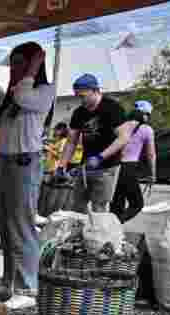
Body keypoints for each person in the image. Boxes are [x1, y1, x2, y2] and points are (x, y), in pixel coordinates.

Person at [0, 41, 55, 301]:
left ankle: (27, 287)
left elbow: (24, 97)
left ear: (33, 65)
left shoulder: (44, 90)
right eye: (12, 63)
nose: (14, 69)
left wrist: (33, 68)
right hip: (6, 164)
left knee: (22, 226)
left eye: (19, 63)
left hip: (26, 165)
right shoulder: (13, 93)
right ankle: (8, 282)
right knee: (5, 225)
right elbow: (3, 138)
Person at [57, 73, 129, 214]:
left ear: (95, 91)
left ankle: (98, 235)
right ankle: (78, 235)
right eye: (78, 96)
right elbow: (71, 142)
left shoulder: (112, 108)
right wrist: (62, 165)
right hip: (85, 166)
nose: (80, 100)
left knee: (99, 208)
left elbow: (123, 138)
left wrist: (100, 157)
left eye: (83, 96)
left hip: (107, 167)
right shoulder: (79, 113)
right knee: (76, 206)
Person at [111, 100, 157, 223]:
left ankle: (113, 233)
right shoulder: (146, 129)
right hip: (129, 168)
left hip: (114, 167)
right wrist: (152, 174)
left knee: (116, 204)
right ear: (145, 114)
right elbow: (151, 154)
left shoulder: (119, 126)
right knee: (137, 204)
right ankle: (114, 224)